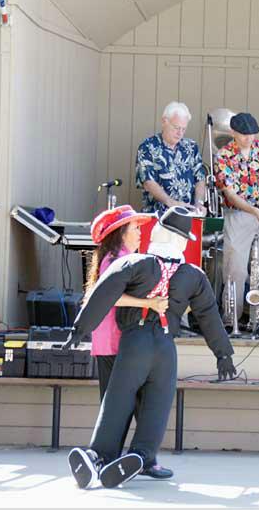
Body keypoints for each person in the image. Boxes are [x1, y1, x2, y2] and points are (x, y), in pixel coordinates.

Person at [66, 206, 236, 489]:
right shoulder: (193, 275)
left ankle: (99, 456)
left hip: (135, 342)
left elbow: (103, 292)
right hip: (166, 347)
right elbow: (208, 315)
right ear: (181, 241)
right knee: (156, 406)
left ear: (157, 234)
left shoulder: (136, 264)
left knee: (117, 401)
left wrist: (79, 328)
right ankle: (142, 456)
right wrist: (223, 354)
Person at [84, 205, 169, 474]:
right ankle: (119, 459)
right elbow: (110, 296)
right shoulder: (116, 259)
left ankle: (132, 458)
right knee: (121, 405)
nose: (139, 232)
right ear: (120, 232)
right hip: (115, 341)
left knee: (125, 404)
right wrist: (150, 303)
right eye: (134, 228)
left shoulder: (117, 257)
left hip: (117, 342)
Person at [215, 112, 259, 333]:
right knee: (236, 268)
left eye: (252, 134)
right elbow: (230, 193)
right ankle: (232, 319)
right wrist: (254, 211)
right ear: (234, 133)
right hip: (239, 213)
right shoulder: (223, 155)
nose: (249, 138)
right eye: (245, 135)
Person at [136, 101, 207, 215]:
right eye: (176, 128)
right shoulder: (148, 147)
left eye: (183, 129)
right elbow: (148, 182)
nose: (180, 133)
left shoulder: (191, 147)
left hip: (187, 215)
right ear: (164, 121)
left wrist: (199, 203)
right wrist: (171, 202)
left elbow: (200, 178)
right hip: (158, 215)